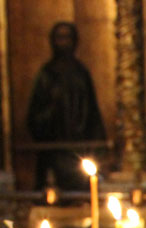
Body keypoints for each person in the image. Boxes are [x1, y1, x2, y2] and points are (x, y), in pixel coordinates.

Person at [27, 21, 106, 191]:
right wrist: (52, 108)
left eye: (68, 38)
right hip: (53, 150)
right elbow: (34, 117)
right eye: (60, 38)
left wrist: (98, 145)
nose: (64, 43)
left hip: (78, 149)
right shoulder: (47, 74)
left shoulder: (81, 73)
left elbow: (92, 113)